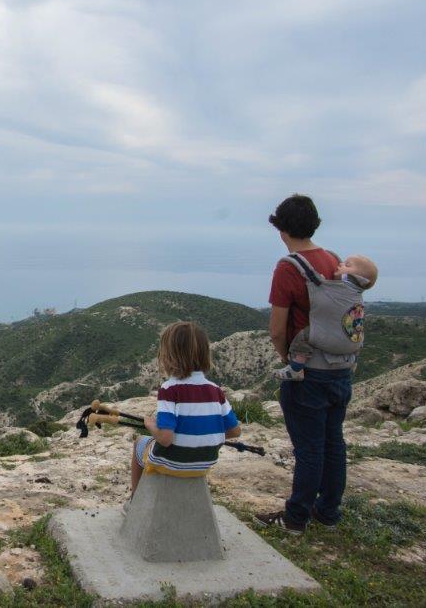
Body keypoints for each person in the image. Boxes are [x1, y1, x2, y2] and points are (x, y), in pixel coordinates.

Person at [256, 194, 361, 534]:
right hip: (340, 367)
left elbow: (276, 329)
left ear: (282, 229)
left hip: (308, 371)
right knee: (334, 442)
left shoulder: (289, 267)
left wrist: (290, 360)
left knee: (309, 449)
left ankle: (296, 519)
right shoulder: (334, 259)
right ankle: (328, 513)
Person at [130, 321, 241, 496]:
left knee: (139, 443)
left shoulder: (169, 389)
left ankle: (134, 500)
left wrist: (150, 424)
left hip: (170, 462)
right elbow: (235, 431)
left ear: (167, 357)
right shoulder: (215, 390)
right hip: (205, 463)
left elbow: (165, 439)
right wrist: (203, 434)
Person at [272, 254, 379, 381]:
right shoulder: (357, 294)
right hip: (352, 346)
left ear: (355, 277)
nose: (340, 264)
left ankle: (296, 368)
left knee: (303, 336)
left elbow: (322, 295)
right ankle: (353, 364)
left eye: (347, 265)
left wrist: (321, 282)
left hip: (322, 358)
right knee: (358, 337)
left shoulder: (339, 289)